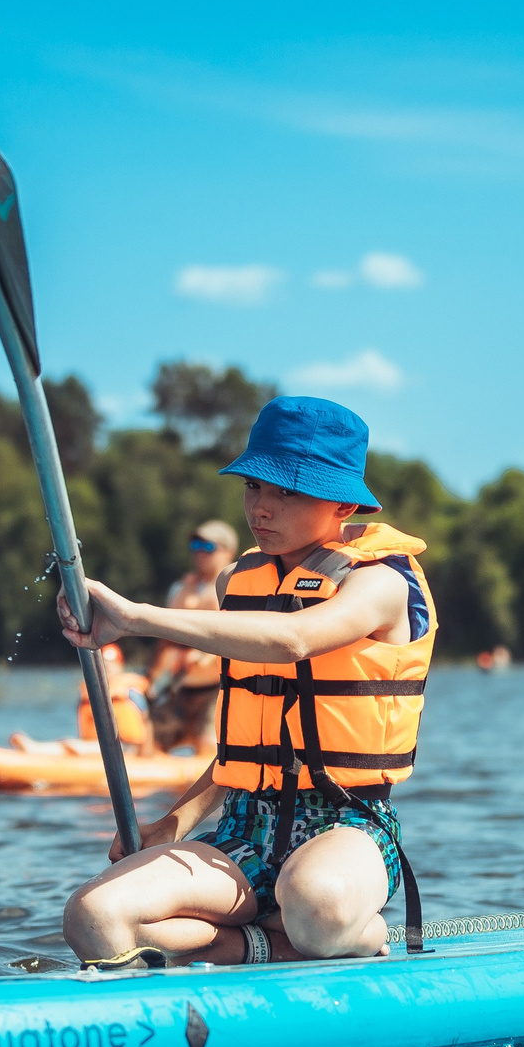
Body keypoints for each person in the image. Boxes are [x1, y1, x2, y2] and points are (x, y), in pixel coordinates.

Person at [57, 397, 434, 967]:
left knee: (315, 902)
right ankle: (264, 950)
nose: (262, 507)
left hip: (345, 827)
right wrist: (177, 820)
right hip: (244, 828)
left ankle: (358, 936)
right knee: (95, 916)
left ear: (343, 502)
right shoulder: (238, 581)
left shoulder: (379, 584)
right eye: (255, 486)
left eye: (288, 491)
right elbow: (250, 746)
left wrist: (134, 618)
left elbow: (296, 640)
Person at [147, 518, 237, 753]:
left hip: (219, 688)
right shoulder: (180, 589)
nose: (200, 554)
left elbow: (235, 637)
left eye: (208, 547)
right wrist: (151, 678)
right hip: (180, 686)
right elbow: (166, 641)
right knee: (149, 744)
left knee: (207, 746)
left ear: (228, 552)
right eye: (195, 547)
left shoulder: (237, 588)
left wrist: (204, 655)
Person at [10, 642, 154, 756]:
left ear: (120, 666)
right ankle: (36, 749)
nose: (108, 668)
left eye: (111, 665)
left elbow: (146, 720)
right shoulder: (89, 691)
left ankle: (35, 749)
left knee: (74, 745)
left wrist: (146, 754)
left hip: (127, 749)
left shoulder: (131, 691)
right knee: (74, 745)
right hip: (96, 746)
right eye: (104, 664)